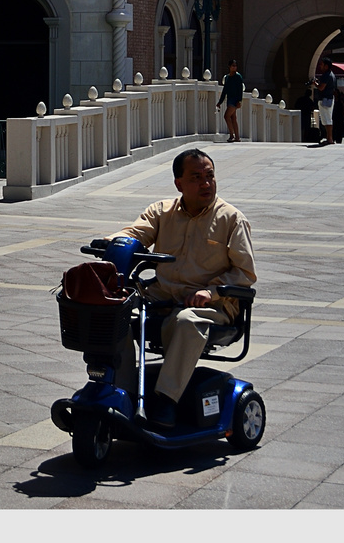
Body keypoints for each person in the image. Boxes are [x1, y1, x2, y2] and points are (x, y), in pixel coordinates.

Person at [108, 148, 256, 427]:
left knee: (187, 320)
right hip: (162, 296)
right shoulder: (162, 212)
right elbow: (134, 234)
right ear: (179, 183)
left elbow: (245, 273)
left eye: (210, 176)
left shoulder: (232, 219)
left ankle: (166, 401)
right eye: (196, 177)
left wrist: (210, 292)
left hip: (213, 306)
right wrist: (110, 243)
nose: (206, 183)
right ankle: (124, 393)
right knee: (116, 313)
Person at [309, 56, 339, 145]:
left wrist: (315, 84)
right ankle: (329, 137)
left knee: (327, 119)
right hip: (329, 99)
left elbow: (321, 88)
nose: (320, 66)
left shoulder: (326, 75)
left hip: (325, 99)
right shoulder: (331, 74)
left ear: (326, 66)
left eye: (322, 64)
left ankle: (329, 138)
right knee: (327, 119)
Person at [216, 60, 245, 142]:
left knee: (226, 116)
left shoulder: (238, 76)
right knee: (233, 118)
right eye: (233, 66)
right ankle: (237, 137)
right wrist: (220, 102)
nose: (234, 67)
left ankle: (232, 135)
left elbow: (240, 89)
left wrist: (239, 101)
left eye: (235, 66)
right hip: (229, 99)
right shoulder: (227, 77)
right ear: (229, 66)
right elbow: (225, 90)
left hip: (234, 100)